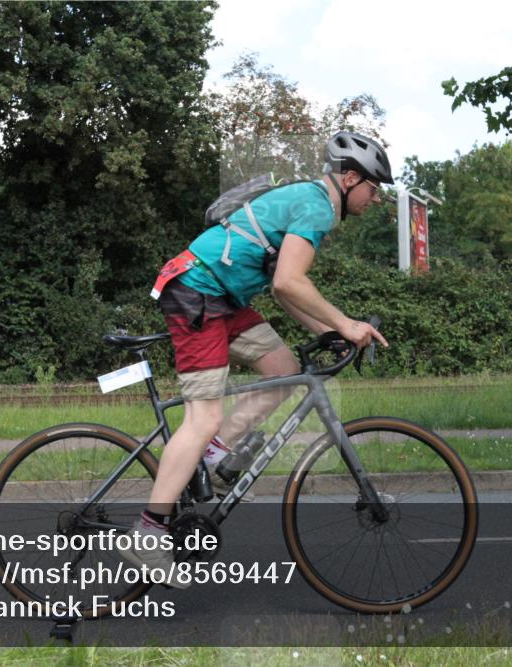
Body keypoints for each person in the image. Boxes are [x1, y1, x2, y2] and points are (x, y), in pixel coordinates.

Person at [117, 131, 391, 587]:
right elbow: (289, 282)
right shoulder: (318, 206)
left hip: (224, 296)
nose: (376, 197)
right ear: (349, 178)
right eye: (373, 186)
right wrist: (345, 325)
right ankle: (147, 533)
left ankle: (211, 458)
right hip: (199, 291)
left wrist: (324, 331)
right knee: (202, 418)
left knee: (283, 370)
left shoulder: (310, 201)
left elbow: (287, 289)